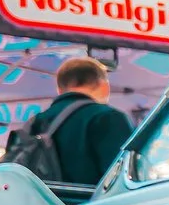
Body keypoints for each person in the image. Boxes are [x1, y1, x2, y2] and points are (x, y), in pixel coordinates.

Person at [31, 56, 136, 189]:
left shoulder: (34, 123)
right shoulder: (108, 118)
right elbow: (123, 178)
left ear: (59, 89)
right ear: (104, 87)